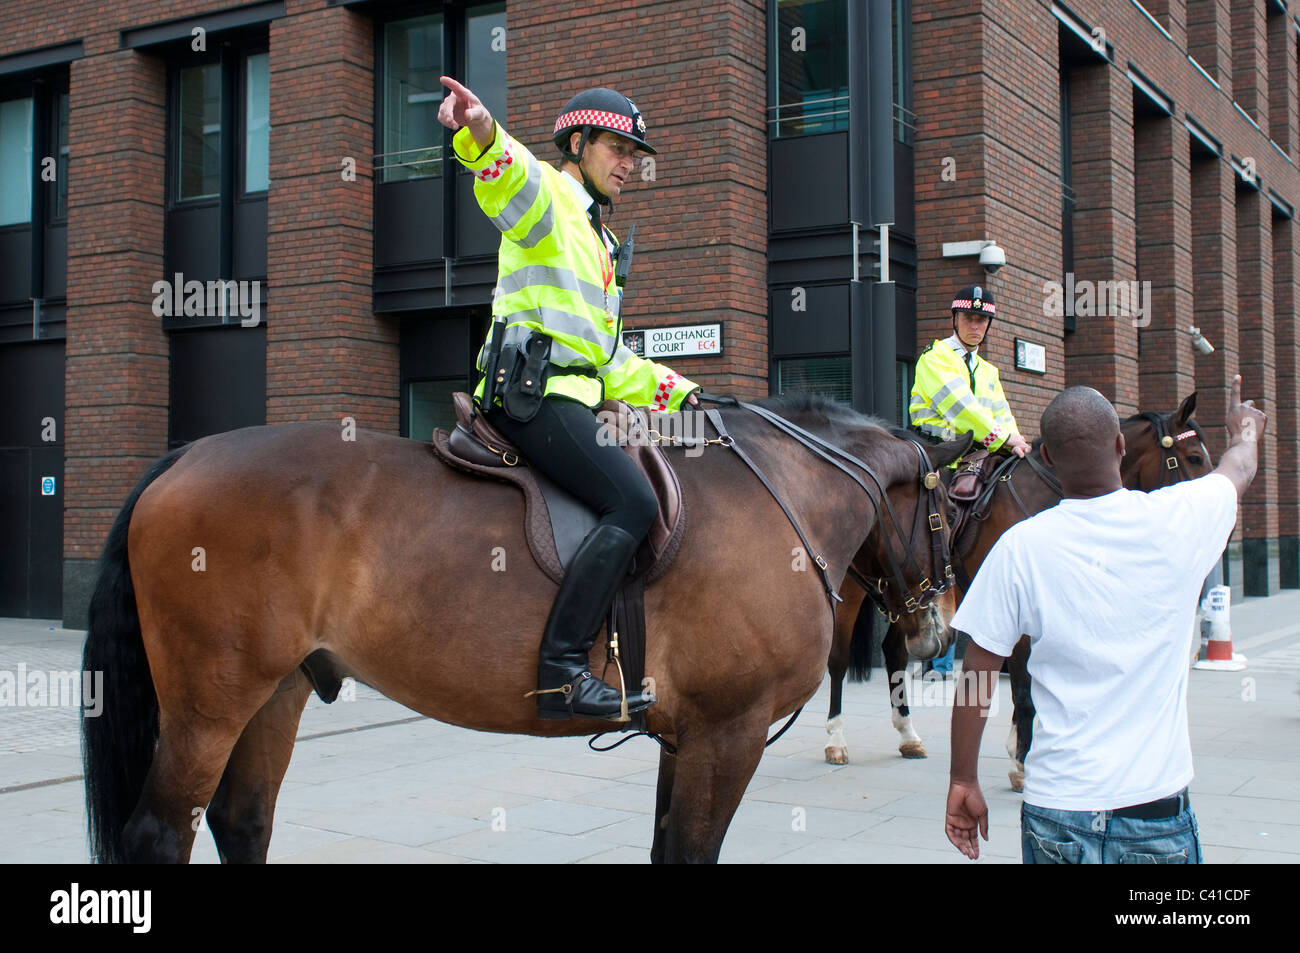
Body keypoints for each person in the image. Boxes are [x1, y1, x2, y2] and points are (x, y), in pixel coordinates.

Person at [437, 77, 701, 722]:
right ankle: (561, 671)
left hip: (573, 395)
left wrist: (688, 393)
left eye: (635, 153)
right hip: (530, 395)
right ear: (578, 143)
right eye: (618, 147)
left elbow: (608, 359)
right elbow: (509, 176)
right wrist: (479, 132)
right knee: (633, 501)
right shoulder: (551, 198)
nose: (630, 163)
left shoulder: (602, 243)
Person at [944, 376, 1264, 863]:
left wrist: (963, 779)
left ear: (1046, 458)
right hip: (1155, 811)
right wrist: (1244, 430)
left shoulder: (1020, 548)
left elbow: (977, 673)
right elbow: (1238, 469)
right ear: (1120, 445)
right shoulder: (1182, 517)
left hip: (1058, 810)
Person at [909, 285, 1030, 459]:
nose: (975, 326)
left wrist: (1016, 443)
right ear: (954, 320)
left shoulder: (989, 371)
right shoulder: (935, 357)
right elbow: (961, 408)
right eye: (968, 318)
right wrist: (1004, 438)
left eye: (981, 320)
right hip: (935, 456)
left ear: (988, 324)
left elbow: (1002, 414)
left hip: (977, 457)